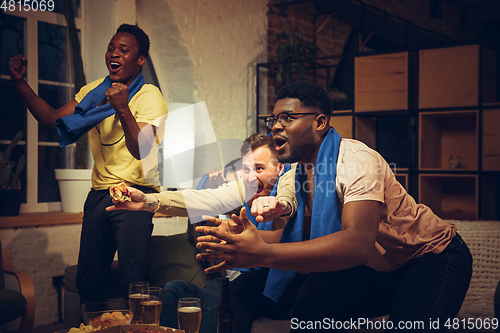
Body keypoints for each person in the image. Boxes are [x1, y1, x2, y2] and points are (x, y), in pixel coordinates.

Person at [195, 81, 473, 332]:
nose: (276, 126)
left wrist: (263, 253)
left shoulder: (356, 160)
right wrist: (242, 238)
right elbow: (297, 235)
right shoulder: (295, 173)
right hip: (380, 265)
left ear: (319, 122)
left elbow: (357, 242)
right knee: (308, 312)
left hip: (431, 256)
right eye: (274, 119)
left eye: (287, 118)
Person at [9, 24, 168, 304]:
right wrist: (21, 83)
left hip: (135, 193)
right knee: (89, 280)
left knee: (134, 280)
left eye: (124, 49)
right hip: (99, 195)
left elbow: (141, 149)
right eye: (111, 47)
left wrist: (123, 107)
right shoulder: (94, 91)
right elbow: (52, 121)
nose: (114, 53)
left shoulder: (149, 96)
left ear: (140, 59)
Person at [106, 133, 295, 332]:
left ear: (280, 168)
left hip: (275, 285)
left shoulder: (290, 186)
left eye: (259, 168)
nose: (251, 176)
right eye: (246, 169)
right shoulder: (246, 187)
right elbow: (200, 199)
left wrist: (278, 206)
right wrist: (148, 201)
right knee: (173, 289)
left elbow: (291, 215)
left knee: (219, 290)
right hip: (241, 280)